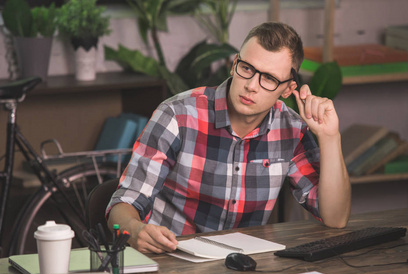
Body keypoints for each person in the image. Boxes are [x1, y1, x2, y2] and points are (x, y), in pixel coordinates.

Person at [106, 22, 351, 254]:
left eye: (269, 78)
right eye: (247, 69)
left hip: (242, 264)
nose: (251, 86)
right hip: (171, 258)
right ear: (234, 64)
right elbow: (124, 203)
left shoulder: (291, 129)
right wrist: (136, 230)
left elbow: (335, 217)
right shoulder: (177, 115)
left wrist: (330, 136)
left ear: (287, 89)